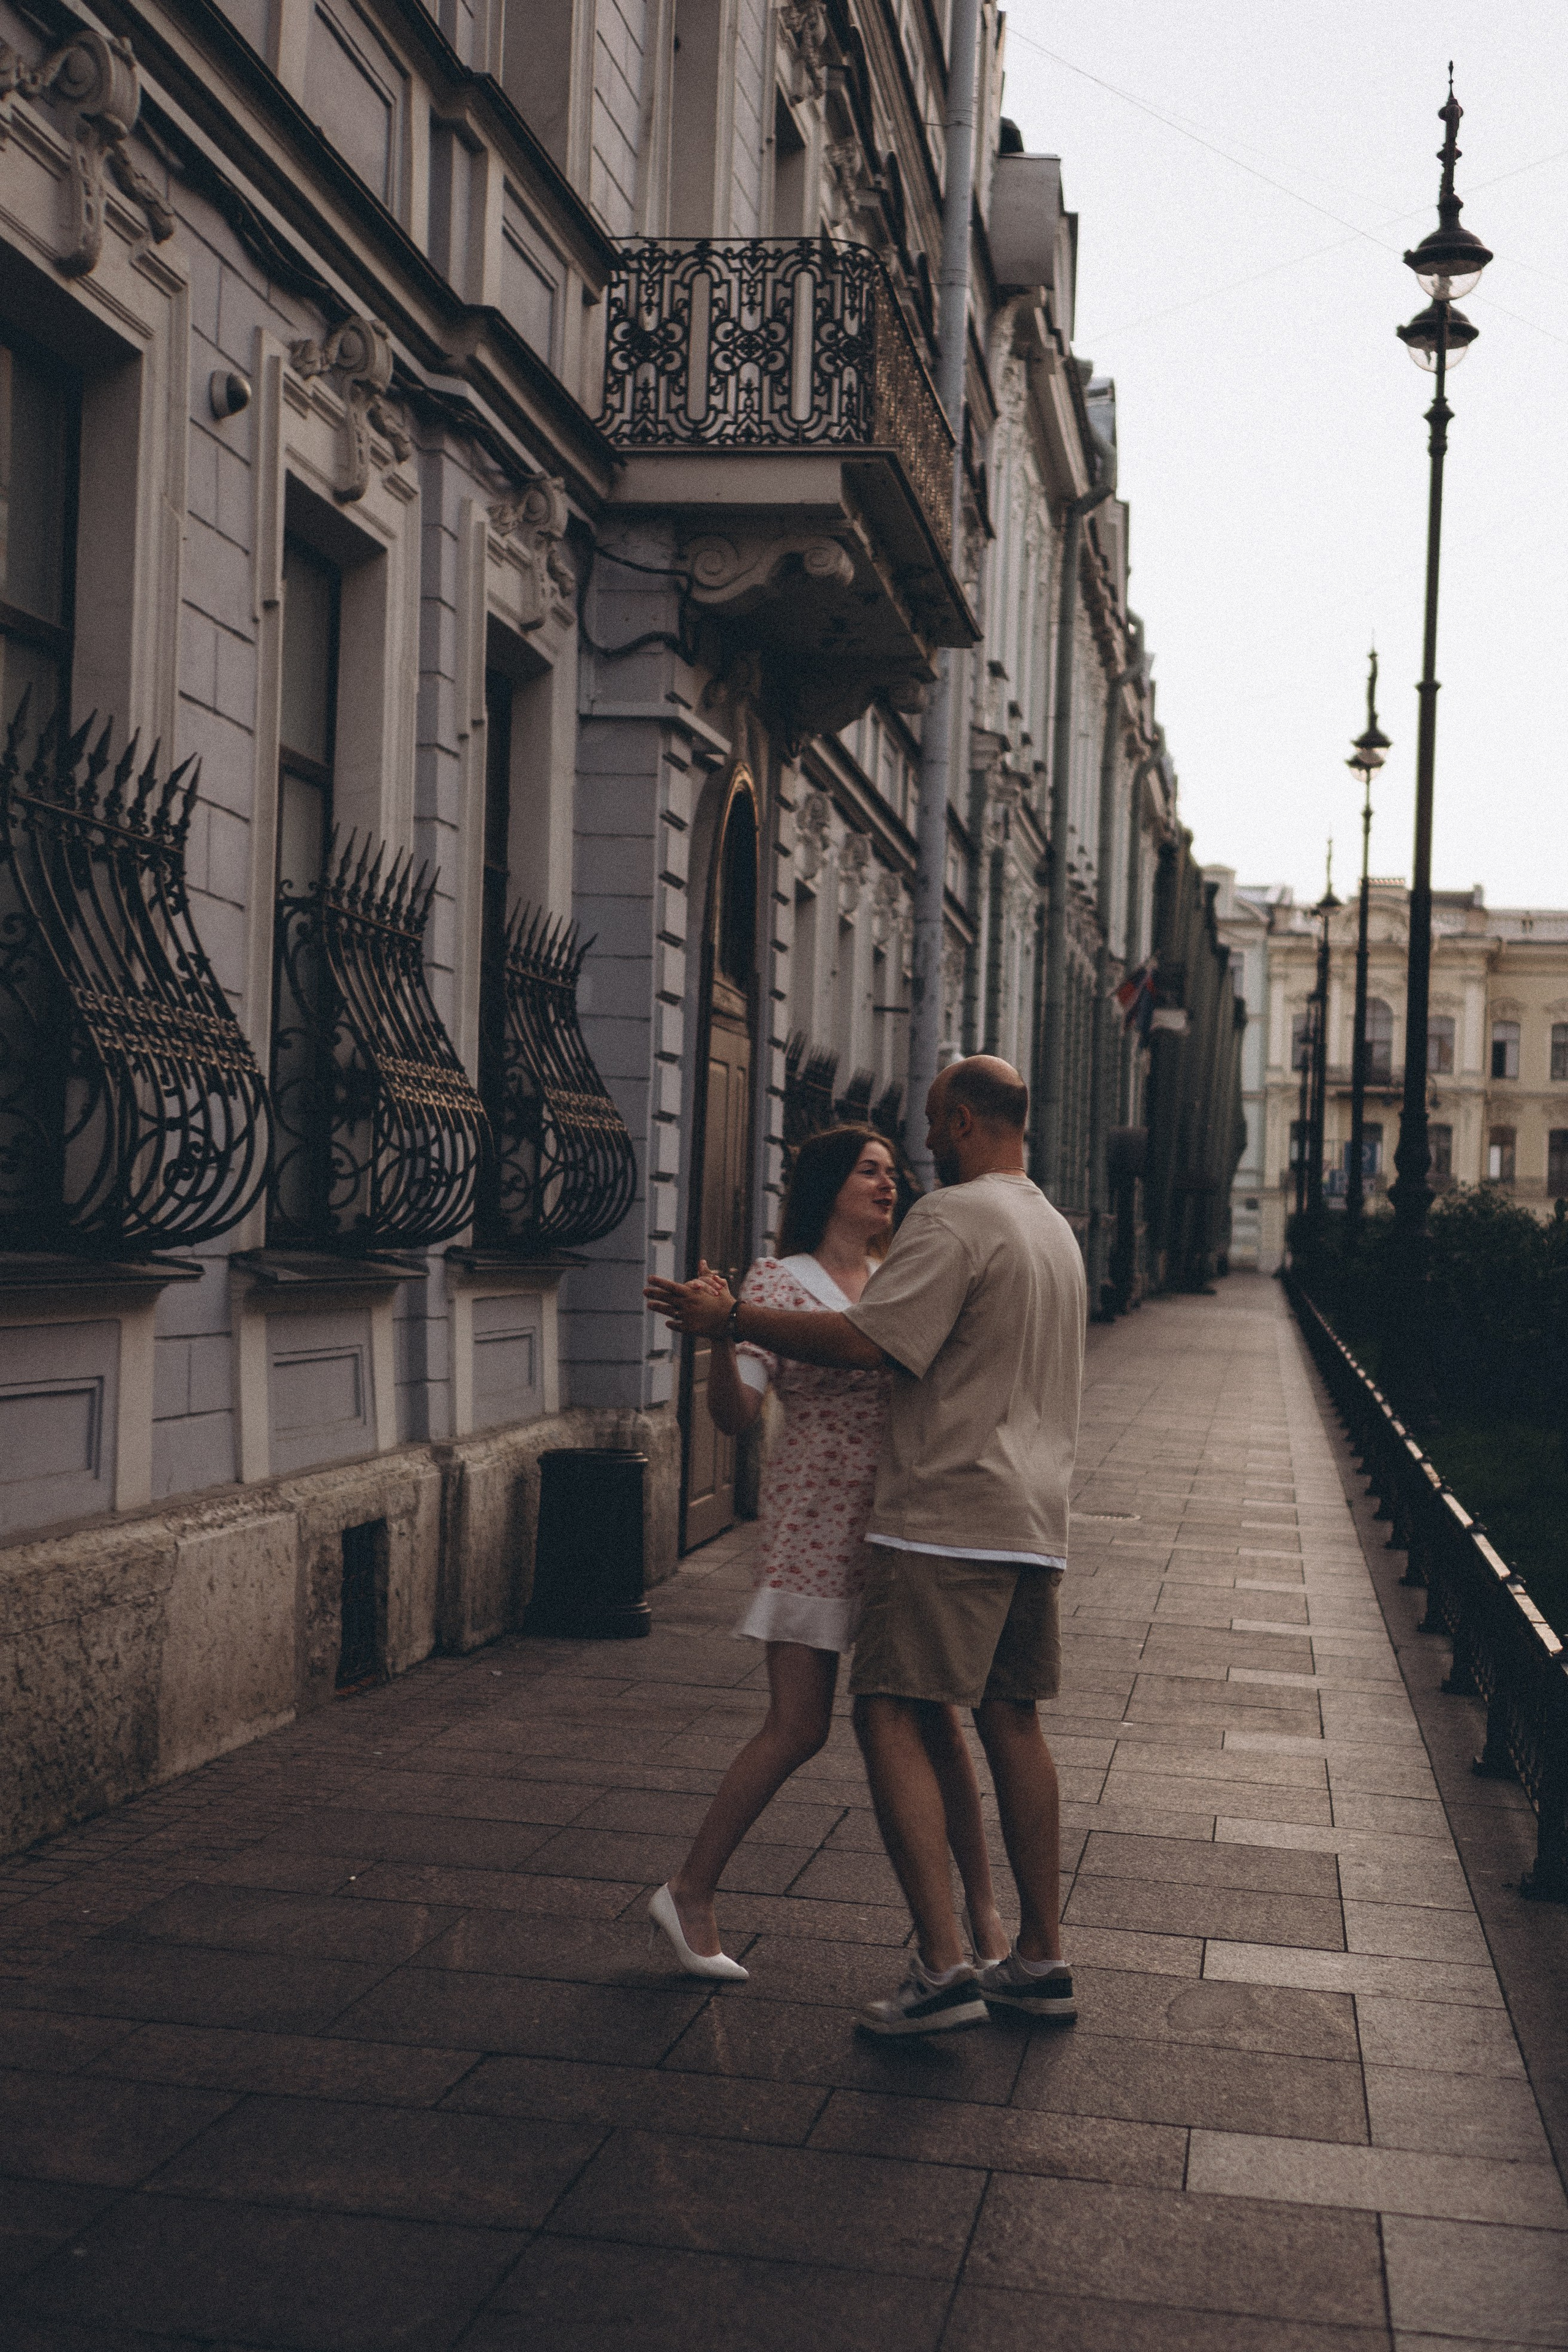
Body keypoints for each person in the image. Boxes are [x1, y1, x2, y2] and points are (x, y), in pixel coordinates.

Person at [647, 1055, 1084, 2036]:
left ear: (966, 1120)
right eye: (874, 1165)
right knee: (1005, 1719)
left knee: (892, 1711)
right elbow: (752, 1404)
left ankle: (945, 1962)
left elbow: (868, 1345)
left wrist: (726, 1316)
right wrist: (733, 1334)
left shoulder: (953, 1223)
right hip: (1021, 1514)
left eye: (930, 1125)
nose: (914, 1157)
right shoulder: (1051, 1226)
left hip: (940, 1511)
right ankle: (1035, 1955)